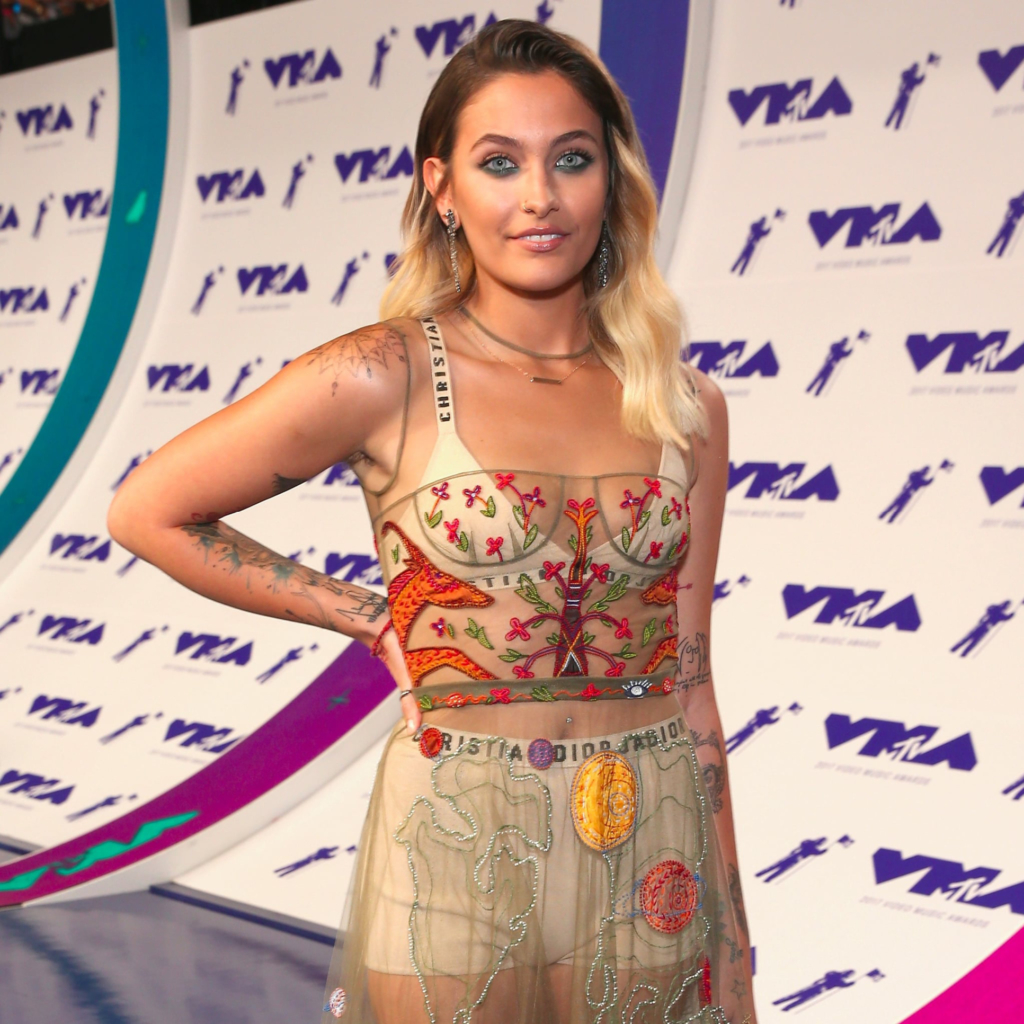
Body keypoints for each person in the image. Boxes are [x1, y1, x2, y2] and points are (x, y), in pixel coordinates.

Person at [107, 19, 755, 1024]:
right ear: (442, 188)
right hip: (456, 836)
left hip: (655, 834)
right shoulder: (385, 373)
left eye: (570, 158)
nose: (539, 196)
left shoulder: (685, 405)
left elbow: (692, 681)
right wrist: (369, 618)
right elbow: (150, 509)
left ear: (611, 181)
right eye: (500, 163)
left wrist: (734, 929)